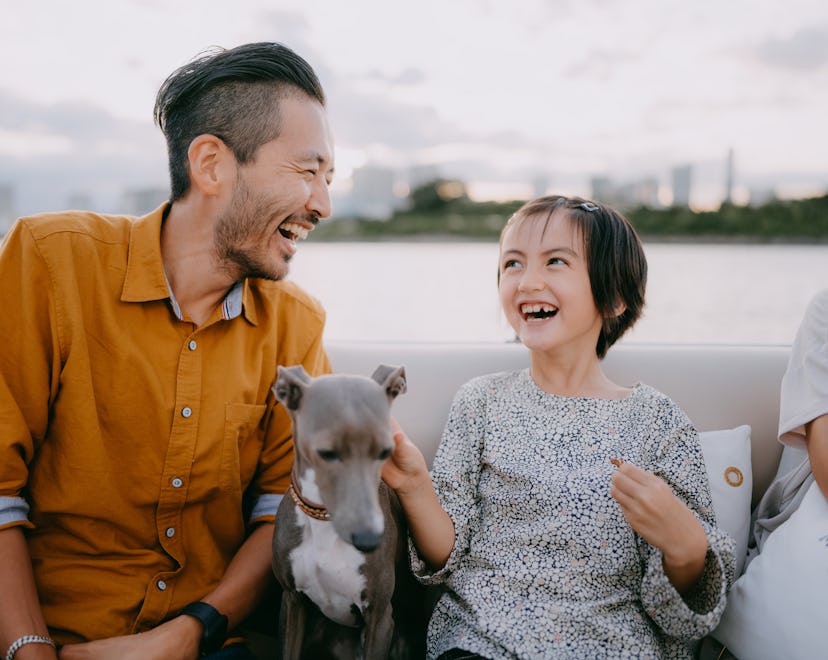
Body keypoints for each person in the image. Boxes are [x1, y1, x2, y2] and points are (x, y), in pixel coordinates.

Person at [0, 42, 335, 660]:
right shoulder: (49, 261)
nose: (322, 204)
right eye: (307, 170)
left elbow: (282, 509)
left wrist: (189, 632)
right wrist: (30, 649)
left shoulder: (297, 326)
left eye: (328, 179)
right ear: (211, 165)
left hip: (212, 641)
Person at [383, 195, 736, 659]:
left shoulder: (656, 420)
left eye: (555, 262)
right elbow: (444, 557)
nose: (527, 281)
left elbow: (682, 612)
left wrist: (686, 548)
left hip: (613, 646)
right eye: (513, 263)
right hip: (481, 643)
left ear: (613, 297)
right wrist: (413, 485)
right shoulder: (482, 400)